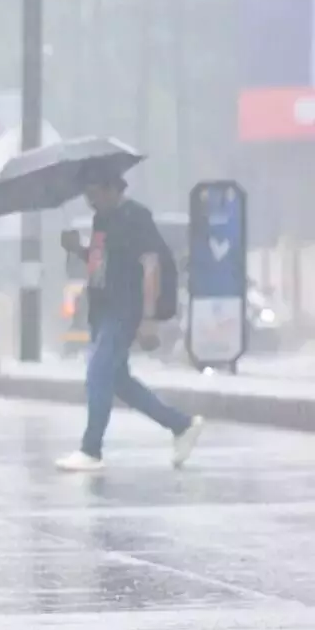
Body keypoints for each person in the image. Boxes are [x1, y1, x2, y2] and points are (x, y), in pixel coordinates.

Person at [56, 174, 204, 472]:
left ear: (112, 188)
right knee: (119, 381)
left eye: (95, 193)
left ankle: (91, 449)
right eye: (87, 195)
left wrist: (148, 318)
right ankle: (181, 424)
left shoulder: (136, 217)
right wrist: (78, 249)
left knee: (98, 372)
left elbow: (151, 265)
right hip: (102, 309)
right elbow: (101, 264)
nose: (91, 201)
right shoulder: (101, 220)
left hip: (125, 308)